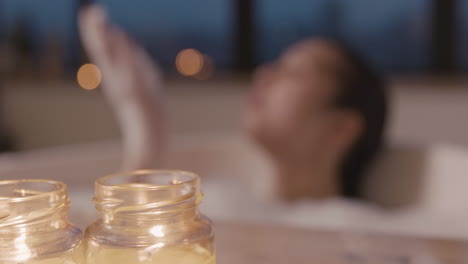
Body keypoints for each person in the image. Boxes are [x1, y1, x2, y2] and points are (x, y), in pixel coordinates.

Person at [78, 5, 387, 202]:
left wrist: (144, 124)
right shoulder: (219, 204)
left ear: (341, 128)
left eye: (295, 71)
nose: (264, 73)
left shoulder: (372, 236)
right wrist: (144, 125)